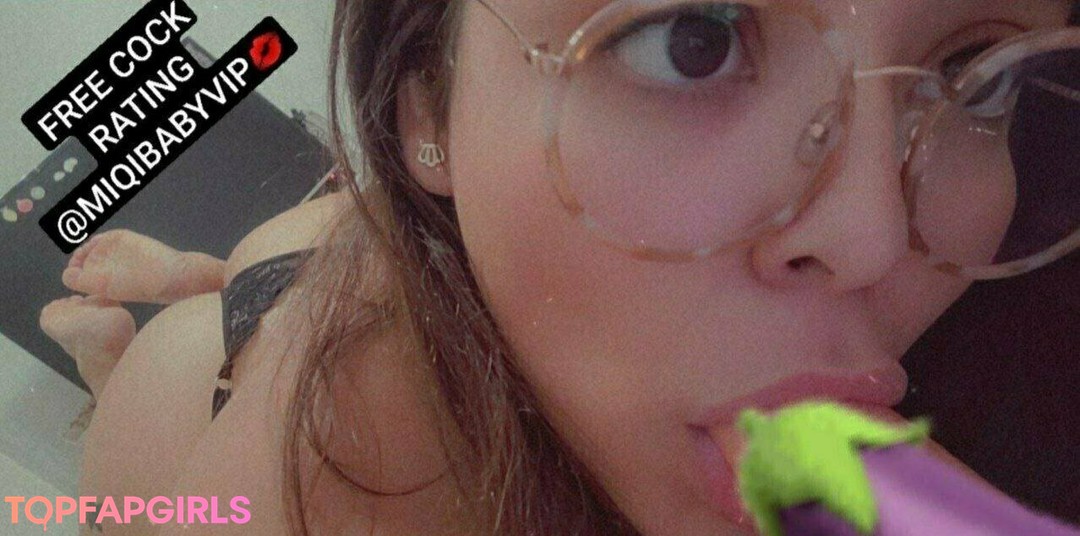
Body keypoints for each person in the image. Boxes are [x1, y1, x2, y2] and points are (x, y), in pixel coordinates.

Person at [40, 0, 1080, 534]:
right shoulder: (269, 491)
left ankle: (197, 274)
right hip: (266, 354)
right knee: (216, 331)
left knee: (307, 247)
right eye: (694, 40)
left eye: (971, 77)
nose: (876, 238)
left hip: (394, 246)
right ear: (425, 101)